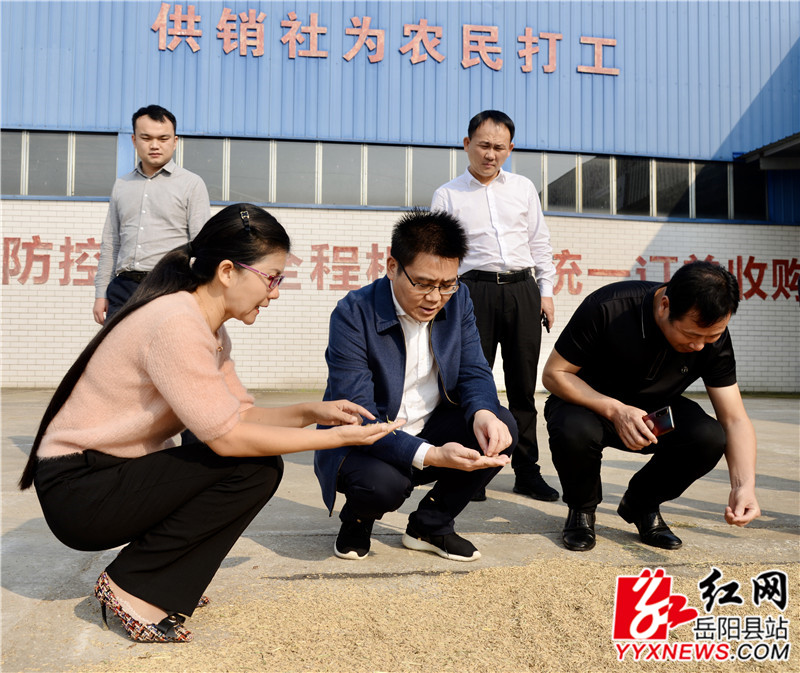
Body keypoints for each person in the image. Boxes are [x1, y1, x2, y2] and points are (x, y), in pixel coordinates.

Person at [20, 203, 401, 643]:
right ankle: (133, 585)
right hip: (80, 490)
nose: (275, 293)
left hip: (107, 476)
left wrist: (314, 413)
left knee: (257, 465)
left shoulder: (207, 327)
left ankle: (163, 578)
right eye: (271, 278)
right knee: (251, 467)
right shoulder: (175, 322)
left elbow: (239, 415)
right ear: (226, 271)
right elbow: (227, 439)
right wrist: (336, 439)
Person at [314, 208, 517, 563]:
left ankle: (430, 525)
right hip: (365, 441)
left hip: (430, 425)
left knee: (502, 426)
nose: (435, 297)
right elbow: (358, 415)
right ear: (392, 266)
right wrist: (432, 455)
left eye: (447, 284)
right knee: (383, 486)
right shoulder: (353, 313)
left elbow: (474, 369)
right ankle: (358, 518)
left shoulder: (459, 299)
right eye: (422, 283)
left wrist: (483, 413)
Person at [541, 261, 761, 552]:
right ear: (665, 306)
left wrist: (744, 486)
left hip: (654, 416)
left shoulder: (711, 338)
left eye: (712, 337)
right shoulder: (608, 307)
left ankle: (641, 505)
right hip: (589, 404)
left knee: (709, 436)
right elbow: (554, 374)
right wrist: (615, 410)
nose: (699, 346)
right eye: (691, 335)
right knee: (572, 428)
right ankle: (582, 511)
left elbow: (734, 418)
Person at [431, 109, 558, 503]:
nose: (491, 154)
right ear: (466, 144)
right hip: (471, 292)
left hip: (522, 290)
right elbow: (441, 254)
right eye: (483, 145)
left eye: (499, 147)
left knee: (523, 388)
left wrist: (546, 291)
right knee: (471, 383)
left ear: (510, 148)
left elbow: (539, 242)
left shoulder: (522, 188)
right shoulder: (448, 194)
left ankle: (527, 471)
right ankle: (475, 468)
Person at [93, 105, 210, 324]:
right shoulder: (122, 185)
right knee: (117, 346)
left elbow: (202, 246)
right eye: (146, 138)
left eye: (163, 138)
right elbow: (111, 243)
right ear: (134, 140)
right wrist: (101, 293)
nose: (155, 145)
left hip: (171, 286)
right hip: (124, 288)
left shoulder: (191, 184)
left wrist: (200, 294)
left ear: (175, 141)